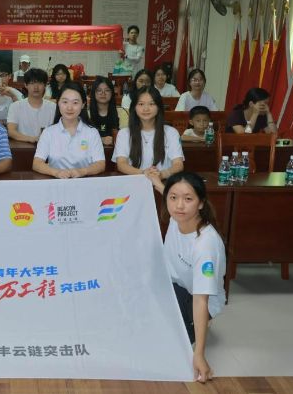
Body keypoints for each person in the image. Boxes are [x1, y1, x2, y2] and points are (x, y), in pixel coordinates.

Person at [146, 171, 225, 384]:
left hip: (196, 299)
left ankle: (199, 325)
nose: (179, 205)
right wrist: (155, 181)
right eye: (173, 198)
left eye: (188, 199)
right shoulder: (178, 216)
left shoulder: (205, 245)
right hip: (173, 286)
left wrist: (199, 355)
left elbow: (201, 300)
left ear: (201, 203)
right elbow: (167, 191)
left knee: (162, 341)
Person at [33, 82, 105, 179]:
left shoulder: (92, 132)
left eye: (75, 103)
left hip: (84, 183)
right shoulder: (48, 132)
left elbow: (100, 164)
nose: (69, 107)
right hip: (56, 183)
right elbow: (37, 163)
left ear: (83, 104)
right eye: (65, 102)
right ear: (58, 103)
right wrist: (56, 172)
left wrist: (82, 171)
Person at [113, 85, 184, 179]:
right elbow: (121, 164)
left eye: (151, 104)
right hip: (134, 181)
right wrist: (143, 173)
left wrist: (162, 175)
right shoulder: (124, 133)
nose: (146, 109)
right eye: (141, 104)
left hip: (163, 182)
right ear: (134, 107)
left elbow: (178, 164)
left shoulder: (171, 132)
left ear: (159, 107)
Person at [7, 68, 56, 143]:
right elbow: (11, 131)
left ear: (45, 85)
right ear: (26, 85)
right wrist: (32, 139)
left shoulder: (53, 107)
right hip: (23, 147)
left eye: (40, 83)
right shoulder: (15, 106)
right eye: (32, 83)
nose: (36, 87)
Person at [87, 76, 128, 146]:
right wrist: (101, 139)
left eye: (107, 90)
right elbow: (82, 138)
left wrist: (115, 139)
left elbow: (127, 137)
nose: (103, 93)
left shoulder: (122, 113)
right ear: (94, 93)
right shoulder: (87, 113)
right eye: (99, 90)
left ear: (112, 93)